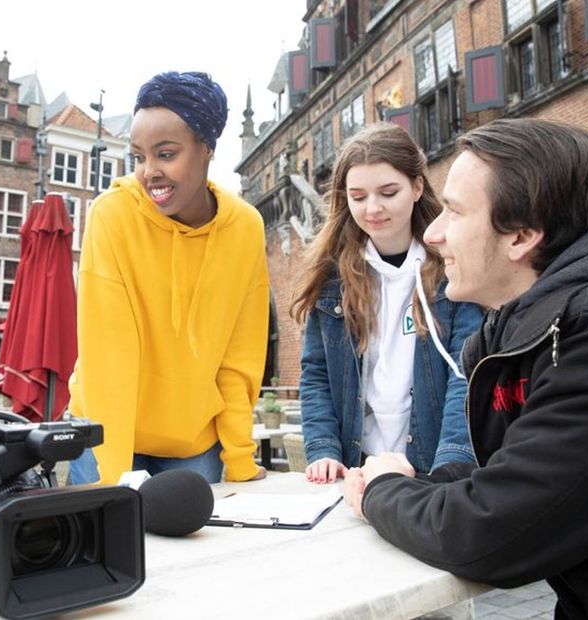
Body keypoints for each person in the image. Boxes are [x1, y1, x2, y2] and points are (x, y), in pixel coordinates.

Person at [347, 118, 588, 619]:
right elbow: (523, 469)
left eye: (455, 213)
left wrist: (381, 492)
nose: (434, 233)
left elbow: (493, 532)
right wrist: (424, 481)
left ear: (522, 235)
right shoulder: (544, 322)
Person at [68, 71, 269, 485]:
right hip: (105, 433)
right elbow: (109, 357)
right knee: (107, 547)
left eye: (166, 153)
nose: (149, 172)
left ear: (207, 149)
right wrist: (112, 484)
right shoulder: (112, 215)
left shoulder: (245, 228)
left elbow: (239, 358)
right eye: (139, 157)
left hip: (192, 443)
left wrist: (241, 459)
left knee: (206, 551)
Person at [291, 123, 483, 484]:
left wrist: (451, 463)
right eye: (358, 196)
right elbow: (315, 374)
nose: (373, 208)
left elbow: (466, 373)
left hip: (431, 466)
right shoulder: (332, 279)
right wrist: (324, 449)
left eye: (388, 192)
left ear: (417, 187)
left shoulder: (452, 270)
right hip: (357, 468)